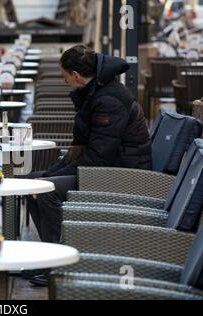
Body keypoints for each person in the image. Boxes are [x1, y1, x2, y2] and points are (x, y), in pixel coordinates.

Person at [25, 45, 152, 286]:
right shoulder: (96, 92)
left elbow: (97, 158)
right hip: (108, 166)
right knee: (32, 183)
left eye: (65, 78)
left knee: (45, 192)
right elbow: (81, 149)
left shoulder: (109, 100)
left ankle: (55, 264)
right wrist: (51, 173)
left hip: (123, 174)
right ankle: (48, 256)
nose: (66, 84)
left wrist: (50, 180)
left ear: (76, 75)